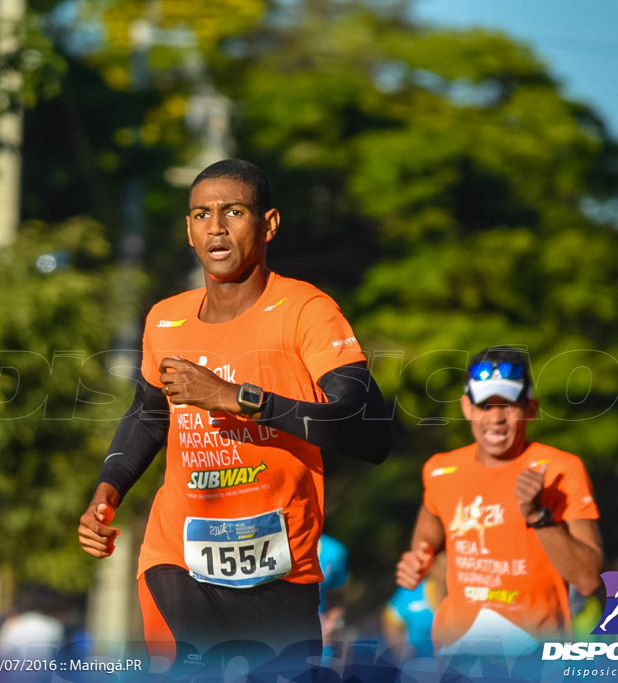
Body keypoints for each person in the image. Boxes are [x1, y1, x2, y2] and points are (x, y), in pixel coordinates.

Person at [77, 159, 391, 662]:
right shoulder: (166, 319)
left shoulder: (305, 311)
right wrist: (107, 491)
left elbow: (368, 431)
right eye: (201, 214)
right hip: (176, 556)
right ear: (187, 229)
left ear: (268, 223)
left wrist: (233, 398)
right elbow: (148, 413)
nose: (216, 228)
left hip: (281, 566)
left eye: (234, 211)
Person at [396, 347, 602, 656]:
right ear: (467, 407)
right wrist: (418, 559)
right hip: (458, 652)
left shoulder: (561, 469)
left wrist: (537, 516)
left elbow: (587, 580)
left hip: (533, 655)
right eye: (485, 405)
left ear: (530, 408)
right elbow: (431, 521)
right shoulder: (441, 469)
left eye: (508, 405)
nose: (496, 418)